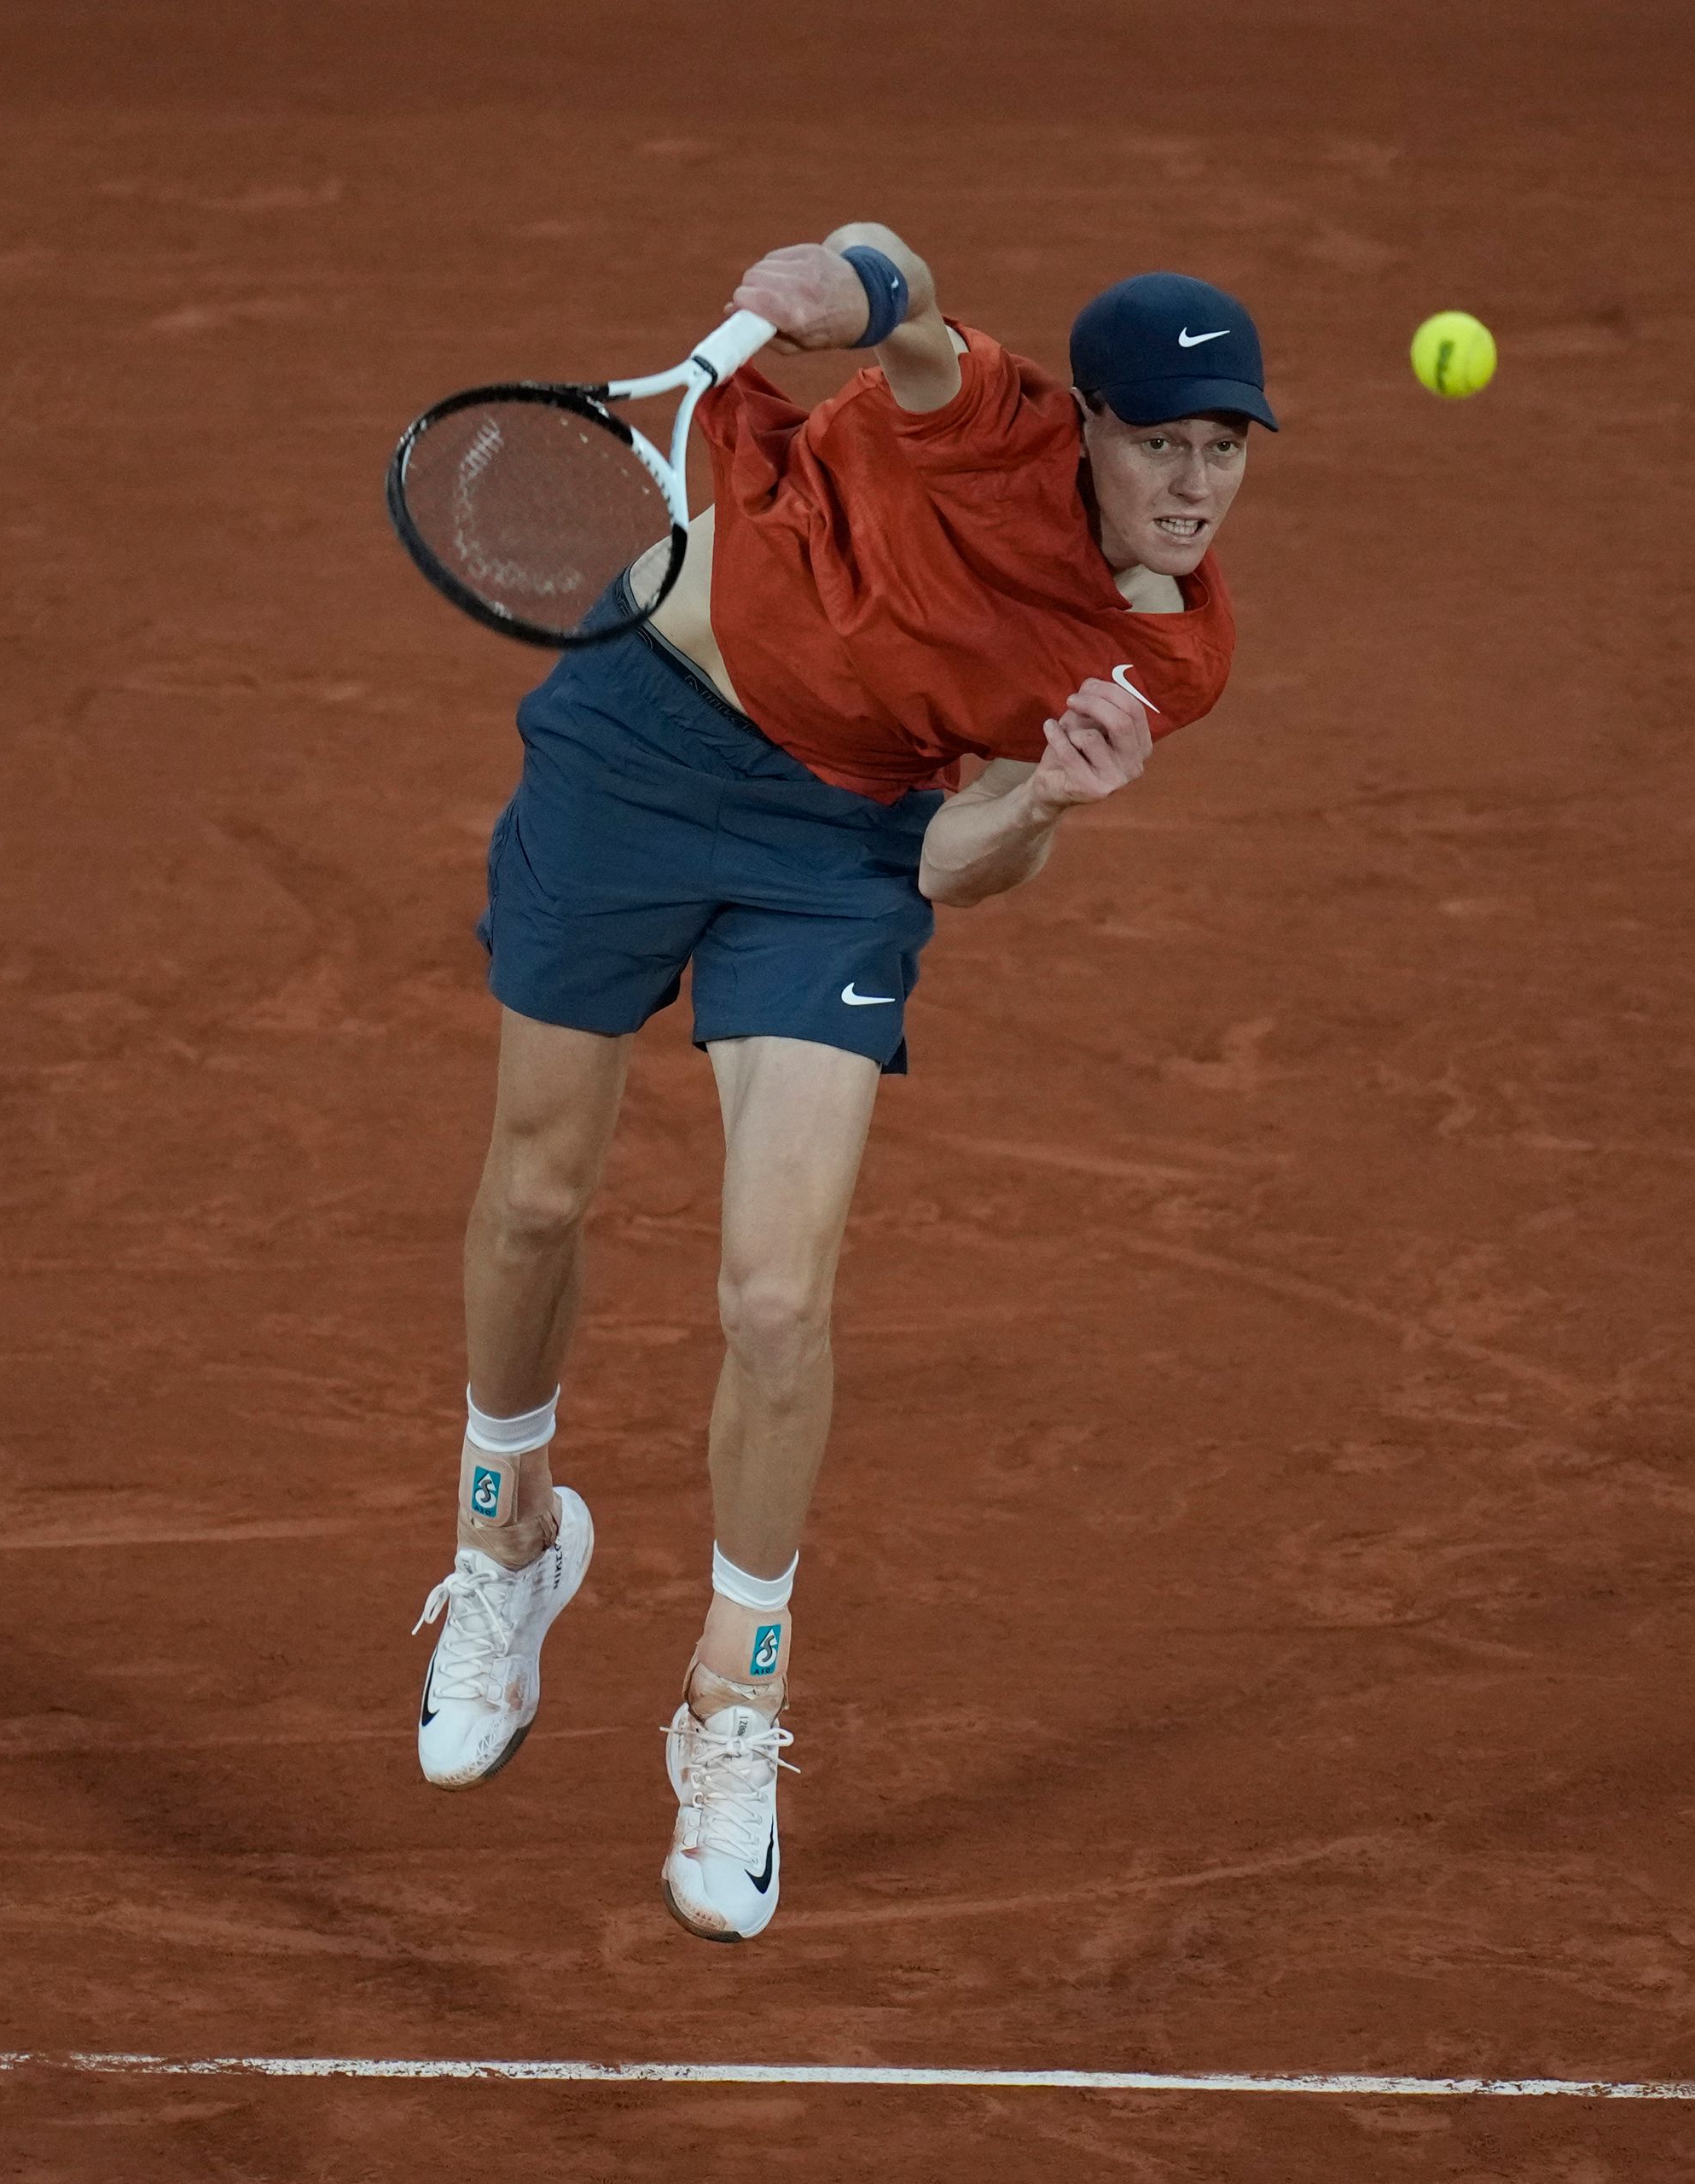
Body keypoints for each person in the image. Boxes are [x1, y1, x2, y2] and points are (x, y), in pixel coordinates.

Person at [408, 224, 1274, 1942]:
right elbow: (908, 297)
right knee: (535, 1190)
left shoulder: (1175, 658)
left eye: (1225, 448)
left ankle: (735, 1707)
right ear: (1087, 425)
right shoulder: (995, 418)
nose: (1191, 482)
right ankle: (506, 1544)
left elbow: (957, 866)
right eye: (1161, 441)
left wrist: (1046, 805)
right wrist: (835, 280)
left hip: (847, 844)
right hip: (637, 742)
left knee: (775, 1296)